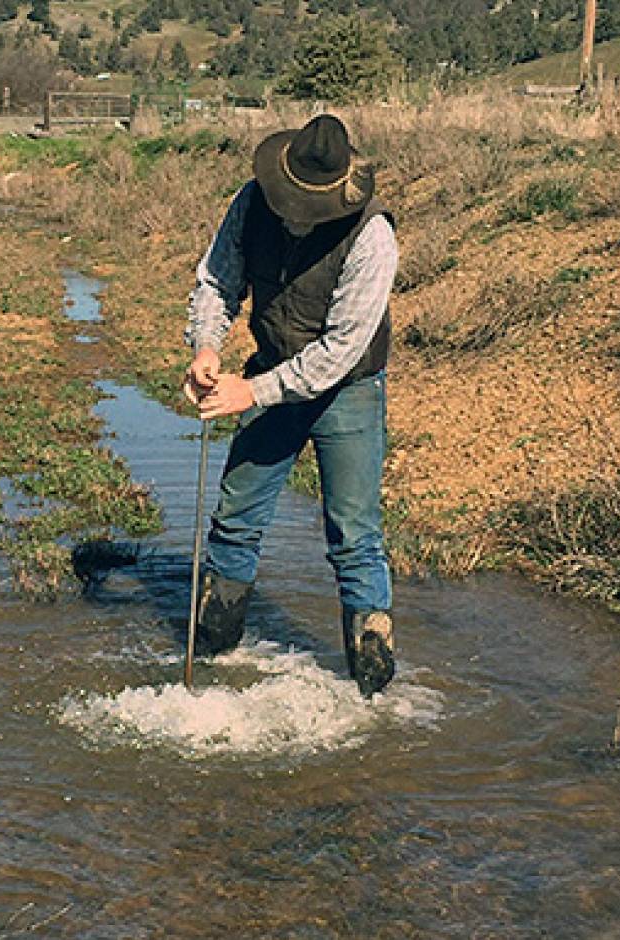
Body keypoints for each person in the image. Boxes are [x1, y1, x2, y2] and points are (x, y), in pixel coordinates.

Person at [182, 113, 399, 697]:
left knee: (354, 536)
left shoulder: (372, 236)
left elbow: (339, 350)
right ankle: (213, 664)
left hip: (349, 388)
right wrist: (207, 346)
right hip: (270, 367)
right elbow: (217, 282)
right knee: (234, 522)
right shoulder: (251, 203)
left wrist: (247, 392)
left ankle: (371, 690)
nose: (294, 215)